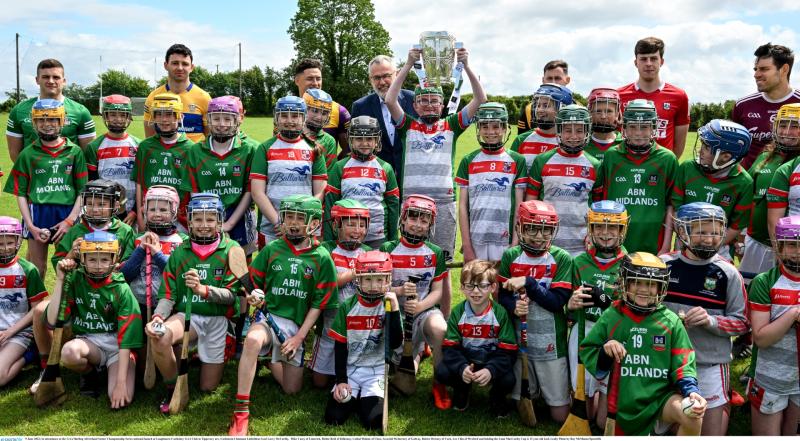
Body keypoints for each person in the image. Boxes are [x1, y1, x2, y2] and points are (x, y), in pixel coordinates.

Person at [386, 45, 487, 319]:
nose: (429, 105)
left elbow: (480, 98)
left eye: (434, 101)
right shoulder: (407, 126)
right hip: (412, 205)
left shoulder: (451, 125)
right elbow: (390, 99)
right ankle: (412, 318)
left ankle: (443, 324)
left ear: (442, 105)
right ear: (415, 105)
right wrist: (407, 64)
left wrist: (466, 65)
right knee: (413, 262)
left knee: (439, 268)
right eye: (424, 101)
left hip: (442, 205)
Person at [229, 195, 337, 436]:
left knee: (291, 390)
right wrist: (253, 295)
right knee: (253, 341)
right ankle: (241, 411)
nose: (294, 223)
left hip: (296, 328)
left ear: (314, 223)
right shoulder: (272, 249)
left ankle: (271, 360)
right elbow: (251, 285)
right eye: (289, 217)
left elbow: (318, 305)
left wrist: (299, 338)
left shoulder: (321, 258)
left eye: (300, 217)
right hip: (269, 319)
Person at [579, 252, 707, 435]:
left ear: (660, 287)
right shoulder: (612, 315)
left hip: (660, 400)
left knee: (693, 416)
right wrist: (605, 350)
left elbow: (684, 363)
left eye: (651, 284)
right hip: (623, 402)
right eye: (637, 282)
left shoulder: (670, 321)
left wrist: (691, 391)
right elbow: (587, 349)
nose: (644, 290)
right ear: (625, 283)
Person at [146, 193, 241, 413]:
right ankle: (172, 387)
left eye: (210, 219)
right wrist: (158, 317)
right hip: (188, 316)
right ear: (189, 221)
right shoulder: (181, 252)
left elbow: (232, 295)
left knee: (208, 387)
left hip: (218, 319)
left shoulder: (232, 249)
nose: (204, 225)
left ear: (219, 221)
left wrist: (202, 290)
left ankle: (211, 349)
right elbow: (168, 295)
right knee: (159, 336)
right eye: (198, 219)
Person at [661, 203, 749, 435]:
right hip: (668, 361)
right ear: (682, 231)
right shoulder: (664, 266)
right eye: (701, 231)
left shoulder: (728, 273)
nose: (709, 239)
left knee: (710, 434)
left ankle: (725, 405)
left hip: (710, 363)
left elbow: (742, 322)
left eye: (715, 232)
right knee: (668, 429)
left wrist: (710, 321)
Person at [497, 200, 573, 424]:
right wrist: (513, 306)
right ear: (520, 227)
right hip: (520, 342)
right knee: (516, 399)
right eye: (532, 228)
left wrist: (529, 282)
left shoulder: (561, 258)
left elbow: (556, 302)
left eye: (546, 229)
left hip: (551, 343)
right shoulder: (511, 256)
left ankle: (550, 391)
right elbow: (502, 296)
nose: (539, 236)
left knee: (560, 416)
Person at [48, 231, 142, 407]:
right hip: (90, 343)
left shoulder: (121, 289)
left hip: (117, 348)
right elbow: (53, 320)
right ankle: (91, 373)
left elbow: (126, 340)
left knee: (123, 400)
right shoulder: (75, 279)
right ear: (82, 259)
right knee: (69, 353)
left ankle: (116, 374)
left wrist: (120, 384)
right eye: (92, 259)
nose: (98, 266)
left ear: (114, 259)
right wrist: (60, 280)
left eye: (105, 259)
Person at [3, 99, 87, 278]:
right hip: (37, 213)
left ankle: (64, 306)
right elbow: (21, 194)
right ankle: (37, 305)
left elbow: (82, 191)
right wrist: (31, 226)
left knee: (69, 266)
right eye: (41, 120)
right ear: (34, 123)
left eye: (52, 120)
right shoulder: (27, 153)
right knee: (37, 268)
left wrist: (70, 221)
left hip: (67, 213)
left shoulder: (74, 152)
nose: (46, 125)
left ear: (62, 121)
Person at [380, 195, 450, 409]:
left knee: (439, 329)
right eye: (413, 218)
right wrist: (399, 291)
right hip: (392, 313)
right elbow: (379, 287)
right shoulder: (387, 249)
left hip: (422, 311)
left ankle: (440, 383)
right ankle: (417, 353)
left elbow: (437, 292)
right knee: (399, 368)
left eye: (424, 220)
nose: (418, 225)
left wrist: (420, 306)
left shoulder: (435, 253)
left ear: (431, 224)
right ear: (402, 219)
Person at [567, 200, 629, 429]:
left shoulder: (629, 265)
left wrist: (605, 301)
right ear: (590, 229)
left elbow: (630, 310)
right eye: (599, 227)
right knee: (586, 410)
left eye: (612, 227)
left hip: (612, 335)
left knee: (603, 422)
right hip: (584, 330)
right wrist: (571, 304)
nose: (605, 233)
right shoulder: (579, 262)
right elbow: (567, 308)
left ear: (622, 230)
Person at [324, 250, 402, 431]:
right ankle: (355, 396)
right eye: (367, 279)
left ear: (387, 280)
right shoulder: (348, 307)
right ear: (358, 279)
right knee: (333, 418)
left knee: (373, 422)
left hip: (376, 371)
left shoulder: (388, 305)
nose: (373, 285)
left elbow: (396, 343)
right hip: (351, 369)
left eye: (379, 279)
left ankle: (363, 399)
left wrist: (395, 310)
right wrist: (342, 380)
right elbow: (340, 347)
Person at [592, 99, 677, 255]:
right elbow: (600, 200)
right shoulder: (612, 156)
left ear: (653, 127)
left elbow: (671, 205)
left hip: (653, 241)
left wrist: (665, 246)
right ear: (624, 128)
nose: (638, 133)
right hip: (612, 239)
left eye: (644, 127)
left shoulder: (667, 158)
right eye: (632, 127)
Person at [436, 259, 517, 416]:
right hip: (467, 363)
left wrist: (491, 370)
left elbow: (508, 351)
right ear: (462, 288)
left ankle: (497, 397)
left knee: (508, 380)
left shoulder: (500, 313)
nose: (476, 291)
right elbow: (450, 348)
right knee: (442, 372)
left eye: (482, 285)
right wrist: (462, 368)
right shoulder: (458, 313)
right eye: (470, 286)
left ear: (493, 287)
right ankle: (462, 389)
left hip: (490, 361)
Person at [182, 96, 256, 256]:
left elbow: (250, 192)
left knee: (242, 262)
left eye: (227, 119)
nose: (221, 124)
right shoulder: (195, 151)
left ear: (237, 120)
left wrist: (229, 223)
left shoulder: (248, 150)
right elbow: (195, 192)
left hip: (239, 214)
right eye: (216, 118)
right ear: (208, 119)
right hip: (205, 216)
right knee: (208, 258)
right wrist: (207, 219)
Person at [251, 96, 327, 247]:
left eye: (295, 115)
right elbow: (257, 192)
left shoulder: (314, 149)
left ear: (304, 118)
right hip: (273, 228)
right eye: (284, 115)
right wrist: (279, 222)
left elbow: (320, 192)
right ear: (276, 118)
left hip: (305, 228)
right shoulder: (265, 148)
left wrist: (303, 222)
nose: (290, 120)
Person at [456, 102, 527, 262]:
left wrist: (515, 243)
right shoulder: (468, 160)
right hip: (476, 238)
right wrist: (466, 245)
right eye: (485, 126)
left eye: (496, 127)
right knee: (476, 285)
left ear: (504, 128)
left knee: (502, 286)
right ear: (478, 128)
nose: (490, 132)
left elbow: (519, 206)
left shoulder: (517, 160)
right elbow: (462, 206)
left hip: (505, 239)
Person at [748, 215, 800, 435]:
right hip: (770, 379)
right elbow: (760, 338)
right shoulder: (765, 282)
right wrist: (794, 314)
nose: (798, 251)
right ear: (778, 246)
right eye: (792, 245)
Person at [526, 104, 600, 256]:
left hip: (581, 245)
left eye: (579, 130)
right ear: (558, 130)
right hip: (546, 242)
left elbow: (597, 207)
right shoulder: (542, 161)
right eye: (567, 130)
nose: (573, 136)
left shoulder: (595, 164)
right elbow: (530, 203)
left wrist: (592, 234)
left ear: (588, 130)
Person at [313, 200, 373, 388]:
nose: (357, 230)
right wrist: (353, 273)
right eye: (351, 224)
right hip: (330, 325)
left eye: (362, 225)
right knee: (319, 383)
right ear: (336, 224)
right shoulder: (325, 250)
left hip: (359, 326)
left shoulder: (369, 253)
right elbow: (326, 284)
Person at [671, 120, 753, 255]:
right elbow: (675, 209)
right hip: (684, 242)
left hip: (718, 248)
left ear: (726, 156)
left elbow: (736, 226)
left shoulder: (743, 182)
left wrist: (710, 244)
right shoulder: (687, 168)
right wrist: (688, 240)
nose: (700, 150)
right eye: (702, 143)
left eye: (707, 147)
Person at [324, 116, 400, 249]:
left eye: (369, 139)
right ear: (350, 140)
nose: (364, 143)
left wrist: (393, 240)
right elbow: (330, 204)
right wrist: (329, 241)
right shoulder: (339, 167)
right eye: (359, 138)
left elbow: (393, 206)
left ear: (377, 140)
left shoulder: (385, 168)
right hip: (347, 236)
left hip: (377, 236)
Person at [742, 103, 800, 276]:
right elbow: (747, 196)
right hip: (755, 242)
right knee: (751, 292)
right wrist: (741, 236)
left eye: (795, 126)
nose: (786, 132)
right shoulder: (765, 156)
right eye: (782, 125)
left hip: (792, 248)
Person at [6, 58, 95, 162]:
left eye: (56, 77)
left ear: (64, 81)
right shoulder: (19, 110)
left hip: (67, 176)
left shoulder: (81, 112)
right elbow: (14, 154)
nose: (51, 81)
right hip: (33, 176)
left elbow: (87, 154)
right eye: (45, 77)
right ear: (37, 80)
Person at [617, 37, 690, 157]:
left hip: (661, 169)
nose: (649, 63)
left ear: (661, 62)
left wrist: (665, 166)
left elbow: (678, 145)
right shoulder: (619, 95)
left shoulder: (679, 96)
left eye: (653, 58)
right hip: (626, 168)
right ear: (636, 63)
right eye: (644, 59)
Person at [133, 93, 194, 232]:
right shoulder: (145, 146)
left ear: (179, 117)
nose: (164, 119)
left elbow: (192, 188)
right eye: (158, 114)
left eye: (169, 114)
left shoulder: (191, 148)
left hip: (179, 218)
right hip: (151, 215)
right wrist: (141, 217)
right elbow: (139, 183)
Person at [733, 43, 800, 169]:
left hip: (792, 185)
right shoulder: (743, 105)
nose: (756, 74)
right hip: (749, 184)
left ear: (784, 69)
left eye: (764, 69)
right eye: (756, 69)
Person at [0, 217, 47, 387]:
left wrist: (9, 332)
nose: (5, 249)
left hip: (18, 332)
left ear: (19, 241)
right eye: (0, 244)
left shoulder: (28, 270)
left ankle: (30, 354)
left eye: (10, 243)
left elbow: (37, 310)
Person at [351, 55, 418, 174]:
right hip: (376, 176)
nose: (382, 82)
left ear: (396, 74)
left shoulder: (414, 100)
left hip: (411, 175)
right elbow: (356, 144)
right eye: (376, 78)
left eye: (386, 76)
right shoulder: (360, 107)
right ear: (370, 79)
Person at [51, 179, 136, 271]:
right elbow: (57, 263)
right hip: (81, 284)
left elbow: (130, 265)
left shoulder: (125, 231)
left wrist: (117, 265)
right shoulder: (76, 231)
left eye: (101, 204)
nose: (95, 209)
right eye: (90, 204)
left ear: (115, 205)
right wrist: (71, 254)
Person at [85, 95, 139, 227]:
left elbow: (141, 183)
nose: (118, 119)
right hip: (104, 210)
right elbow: (91, 182)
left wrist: (135, 211)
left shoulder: (138, 145)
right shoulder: (94, 146)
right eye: (113, 114)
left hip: (132, 211)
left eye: (122, 115)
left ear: (128, 117)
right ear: (105, 116)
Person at [143, 44, 210, 142]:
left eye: (185, 64)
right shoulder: (154, 97)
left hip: (194, 157)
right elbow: (150, 140)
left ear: (191, 67)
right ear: (166, 65)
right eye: (175, 63)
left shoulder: (204, 98)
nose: (180, 68)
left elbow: (210, 139)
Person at [293, 58, 351, 155]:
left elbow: (349, 149)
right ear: (297, 80)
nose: (315, 83)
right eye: (310, 78)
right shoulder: (286, 108)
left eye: (318, 78)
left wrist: (333, 165)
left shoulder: (338, 110)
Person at [511, 84, 573, 171]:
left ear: (563, 109)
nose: (539, 110)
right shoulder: (521, 140)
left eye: (546, 105)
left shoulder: (572, 142)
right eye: (538, 105)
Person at [517, 60, 572, 133]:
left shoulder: (579, 108)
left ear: (567, 80)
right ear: (543, 80)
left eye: (557, 78)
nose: (553, 82)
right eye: (549, 78)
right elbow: (522, 140)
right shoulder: (529, 110)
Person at [302, 89, 339, 170]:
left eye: (324, 113)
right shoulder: (293, 135)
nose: (319, 117)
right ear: (304, 109)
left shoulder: (329, 141)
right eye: (315, 111)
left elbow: (329, 171)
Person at [585, 88, 624, 162]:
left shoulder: (625, 145)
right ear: (590, 113)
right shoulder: (581, 144)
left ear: (617, 114)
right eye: (598, 111)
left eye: (609, 111)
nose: (603, 116)